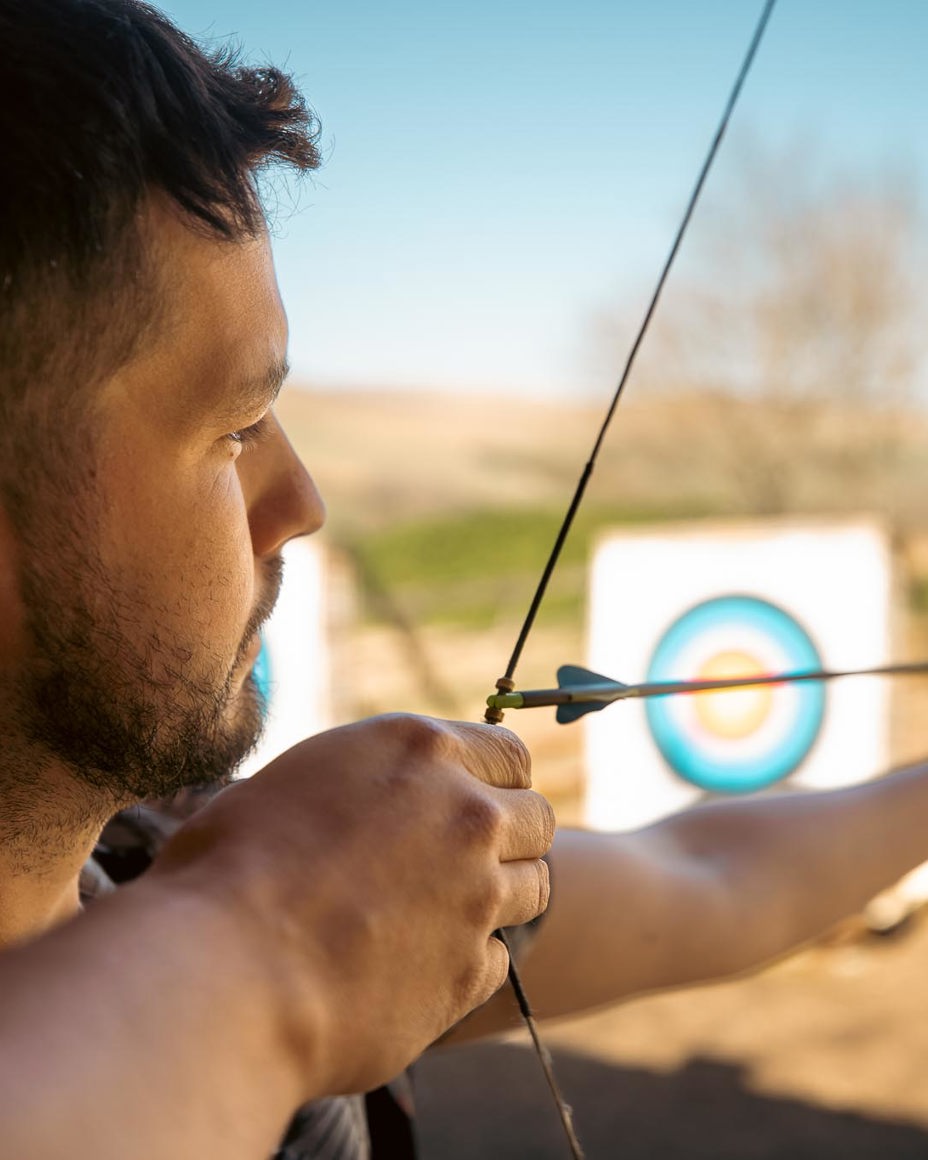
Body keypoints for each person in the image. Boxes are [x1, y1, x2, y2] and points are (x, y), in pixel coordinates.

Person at [1, 2, 927, 1157]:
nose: (299, 499)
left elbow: (708, 872)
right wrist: (276, 941)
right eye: (237, 423)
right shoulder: (240, 908)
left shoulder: (164, 859)